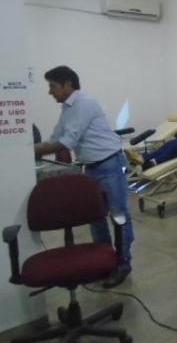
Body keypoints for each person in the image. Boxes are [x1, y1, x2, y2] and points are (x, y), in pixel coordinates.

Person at [34, 66, 134, 288]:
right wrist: (28, 149)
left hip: (109, 164)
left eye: (52, 86)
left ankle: (123, 264)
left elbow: (67, 142)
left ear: (68, 84)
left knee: (119, 217)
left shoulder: (84, 104)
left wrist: (37, 150)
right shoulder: (67, 108)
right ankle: (106, 263)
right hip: (91, 167)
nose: (50, 92)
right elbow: (55, 136)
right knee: (96, 218)